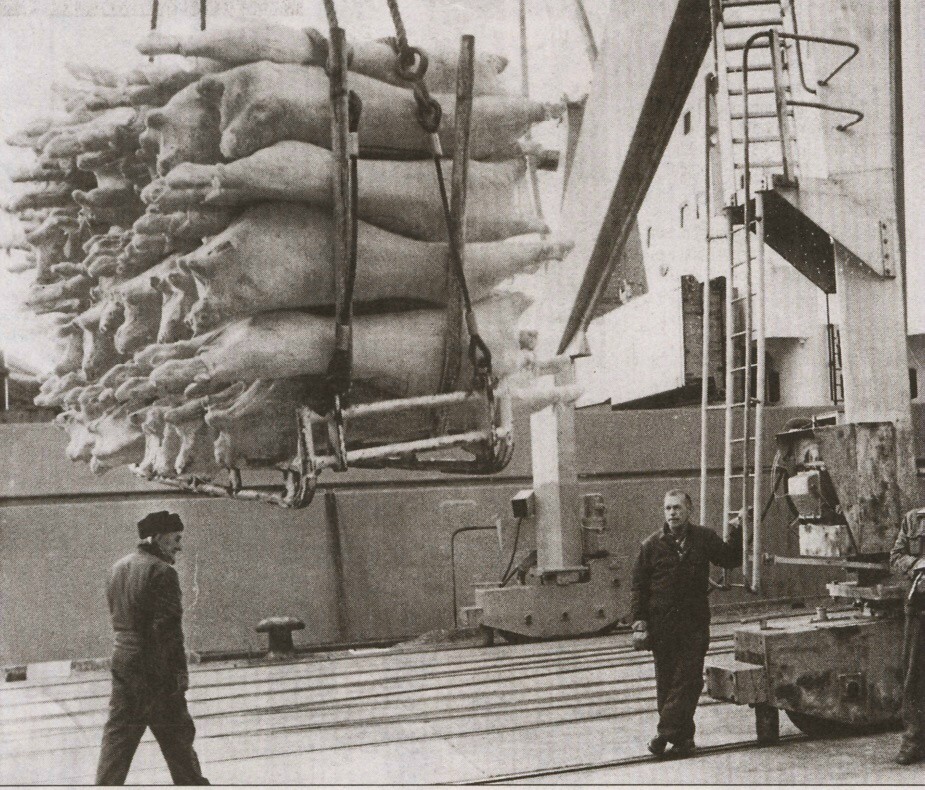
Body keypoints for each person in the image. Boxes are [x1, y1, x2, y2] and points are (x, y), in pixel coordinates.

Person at [95, 511, 209, 785]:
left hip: (123, 662)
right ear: (158, 538)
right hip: (155, 669)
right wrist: (179, 676)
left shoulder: (118, 567)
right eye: (176, 539)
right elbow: (169, 630)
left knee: (118, 740)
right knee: (178, 740)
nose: (179, 546)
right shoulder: (163, 572)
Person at [630, 489, 742, 758]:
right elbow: (638, 588)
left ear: (689, 510)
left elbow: (730, 559)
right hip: (662, 626)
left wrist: (737, 531)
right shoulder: (650, 546)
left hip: (694, 624)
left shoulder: (704, 538)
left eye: (677, 508)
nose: (672, 513)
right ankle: (683, 740)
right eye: (668, 508)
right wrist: (639, 623)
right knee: (667, 684)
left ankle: (664, 733)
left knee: (689, 680)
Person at [891, 507, 925, 765]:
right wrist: (917, 565)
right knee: (914, 677)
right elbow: (896, 557)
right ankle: (913, 740)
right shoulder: (914, 519)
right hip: (919, 609)